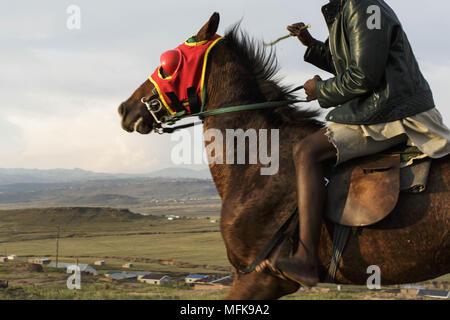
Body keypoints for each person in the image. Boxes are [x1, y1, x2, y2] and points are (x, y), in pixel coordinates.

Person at [273, 0, 450, 287]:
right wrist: (310, 43)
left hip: (393, 112)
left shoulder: (365, 8)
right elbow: (352, 63)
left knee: (306, 151)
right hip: (382, 106)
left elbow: (363, 76)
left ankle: (305, 258)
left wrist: (319, 90)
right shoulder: (353, 8)